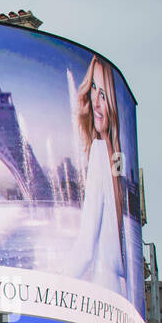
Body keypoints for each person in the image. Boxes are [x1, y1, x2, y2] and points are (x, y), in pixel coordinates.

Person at [66, 55, 128, 299]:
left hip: (101, 295)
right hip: (119, 307)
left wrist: (47, 290)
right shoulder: (117, 156)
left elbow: (85, 249)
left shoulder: (101, 154)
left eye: (104, 93)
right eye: (93, 88)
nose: (97, 102)